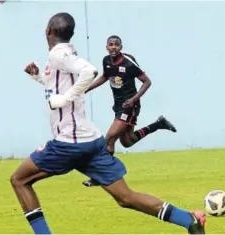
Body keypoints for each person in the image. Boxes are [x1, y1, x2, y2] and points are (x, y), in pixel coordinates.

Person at [11, 12, 206, 234]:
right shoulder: (63, 55)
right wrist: (39, 78)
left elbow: (89, 72)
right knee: (126, 197)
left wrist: (65, 99)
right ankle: (189, 220)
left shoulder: (59, 54)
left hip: (68, 142)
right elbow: (62, 86)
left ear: (47, 31)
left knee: (19, 180)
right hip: (90, 141)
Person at [82, 35, 177, 187]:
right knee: (127, 141)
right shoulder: (106, 61)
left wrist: (134, 99)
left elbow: (147, 81)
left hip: (130, 105)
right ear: (106, 47)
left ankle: (101, 176)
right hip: (118, 105)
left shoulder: (128, 63)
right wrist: (86, 89)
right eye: (110, 45)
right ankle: (158, 124)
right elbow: (105, 77)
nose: (113, 47)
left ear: (121, 47)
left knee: (110, 137)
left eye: (116, 45)